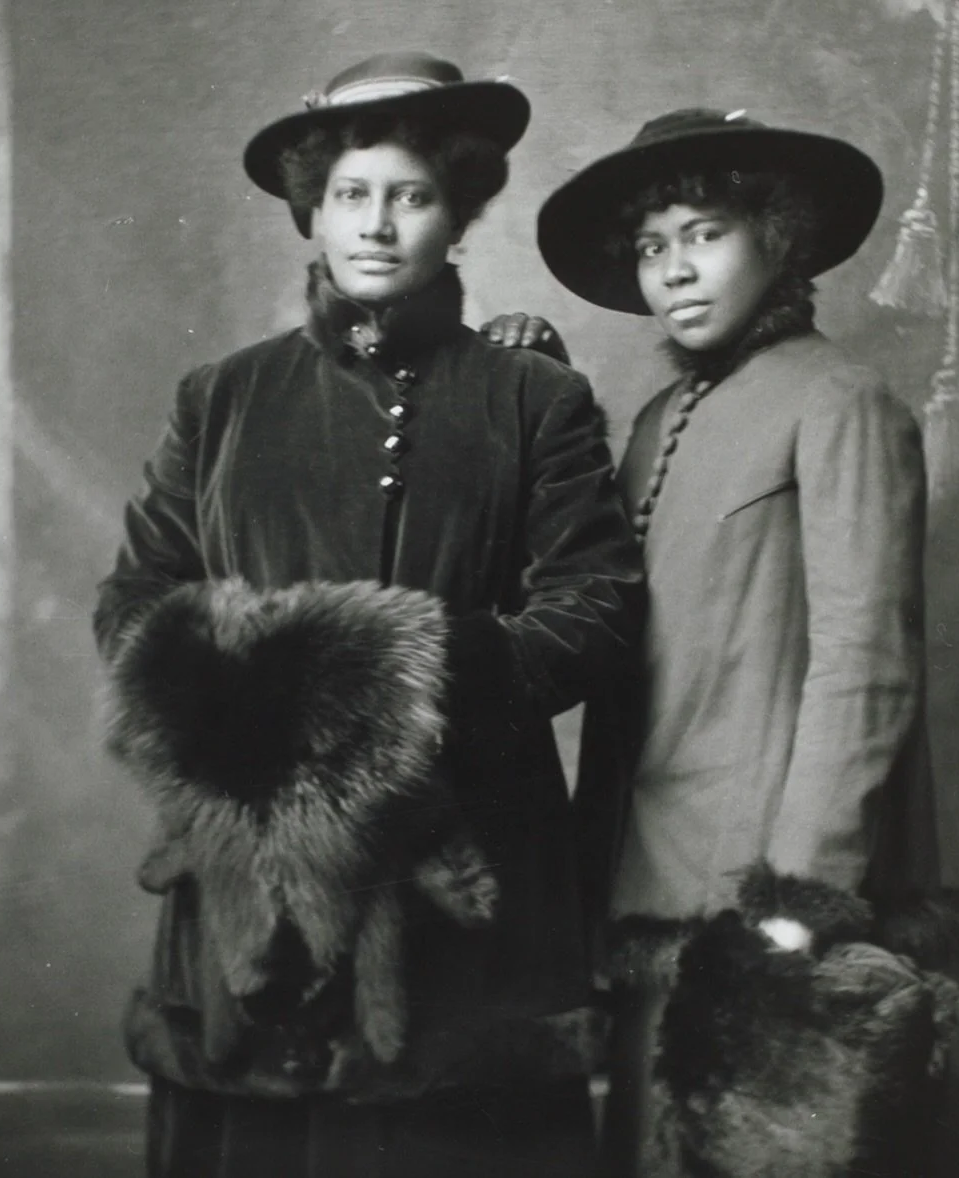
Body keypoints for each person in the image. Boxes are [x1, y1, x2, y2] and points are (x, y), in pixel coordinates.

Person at [92, 51, 644, 1178]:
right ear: (313, 211)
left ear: (457, 215)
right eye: (352, 195)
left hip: (473, 854)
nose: (379, 224)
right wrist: (271, 716)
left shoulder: (534, 397)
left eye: (413, 196)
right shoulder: (224, 397)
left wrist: (401, 684)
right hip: (259, 856)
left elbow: (595, 606)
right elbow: (134, 601)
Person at [495, 107, 948, 1175]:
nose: (673, 270)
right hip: (647, 893)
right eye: (651, 247)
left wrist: (797, 905)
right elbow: (597, 613)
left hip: (766, 912)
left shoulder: (842, 401)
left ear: (776, 238)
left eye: (704, 233)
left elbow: (866, 668)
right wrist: (528, 386)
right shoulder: (655, 422)